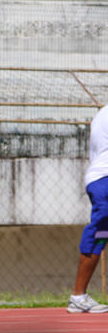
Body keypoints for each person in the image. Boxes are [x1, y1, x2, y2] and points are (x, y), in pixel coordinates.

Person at [69, 104, 108, 313]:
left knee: (103, 234)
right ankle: (78, 295)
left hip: (100, 179)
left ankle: (78, 296)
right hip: (104, 180)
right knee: (99, 231)